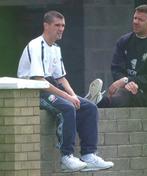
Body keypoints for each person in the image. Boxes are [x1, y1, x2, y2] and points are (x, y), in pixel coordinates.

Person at [17, 10, 113, 172]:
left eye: (63, 25)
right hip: (32, 92)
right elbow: (39, 82)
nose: (61, 28)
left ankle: (89, 155)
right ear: (46, 26)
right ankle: (66, 157)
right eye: (57, 25)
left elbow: (61, 78)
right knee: (67, 107)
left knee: (89, 107)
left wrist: (73, 95)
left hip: (48, 87)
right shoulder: (36, 45)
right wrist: (68, 98)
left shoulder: (55, 48)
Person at [86, 4, 147, 107]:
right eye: (135, 18)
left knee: (127, 93)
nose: (135, 22)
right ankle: (92, 101)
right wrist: (124, 82)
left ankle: (99, 102)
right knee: (124, 92)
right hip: (123, 88)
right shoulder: (124, 41)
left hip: (145, 94)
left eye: (140, 20)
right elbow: (116, 68)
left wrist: (128, 81)